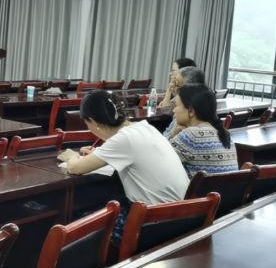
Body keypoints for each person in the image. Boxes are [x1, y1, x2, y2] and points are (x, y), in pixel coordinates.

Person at [57, 90, 189, 243]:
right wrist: (100, 154)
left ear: (94, 122)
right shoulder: (144, 127)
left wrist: (72, 156)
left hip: (152, 223)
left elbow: (74, 168)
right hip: (179, 217)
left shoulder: (124, 138)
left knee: (74, 219)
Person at [169, 84, 238, 178]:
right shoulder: (226, 134)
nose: (174, 110)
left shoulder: (191, 136)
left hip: (199, 188)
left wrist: (173, 133)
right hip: (225, 188)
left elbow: (159, 161)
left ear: (191, 111)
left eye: (176, 105)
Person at [162, 66, 207, 137]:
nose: (172, 85)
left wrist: (173, 134)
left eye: (176, 83)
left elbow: (165, 141)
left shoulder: (185, 116)